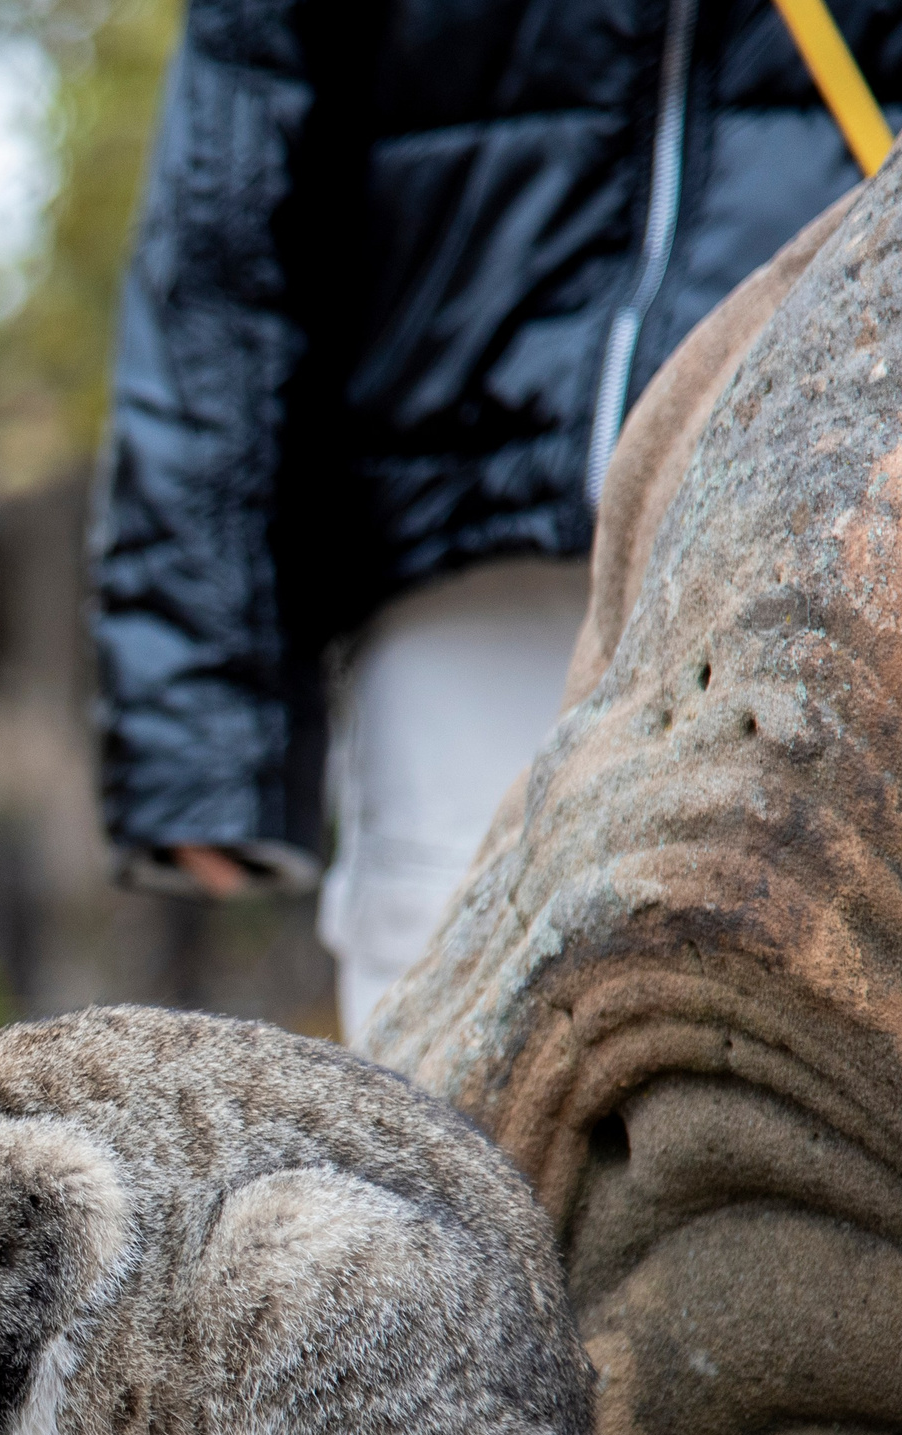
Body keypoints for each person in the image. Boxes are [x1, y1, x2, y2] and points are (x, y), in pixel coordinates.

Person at [94, 0, 902, 1038]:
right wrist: (198, 717)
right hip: (460, 571)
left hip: (828, 553)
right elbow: (225, 216)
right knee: (433, 1119)